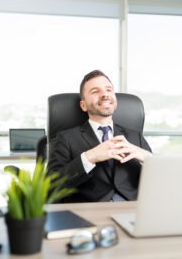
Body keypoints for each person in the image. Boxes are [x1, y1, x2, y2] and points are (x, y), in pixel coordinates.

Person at [47, 70, 152, 203]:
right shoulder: (65, 138)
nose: (105, 95)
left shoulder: (135, 136)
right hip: (90, 214)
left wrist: (147, 158)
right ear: (83, 105)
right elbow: (51, 185)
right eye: (95, 91)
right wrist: (89, 157)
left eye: (109, 90)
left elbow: (161, 182)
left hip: (132, 212)